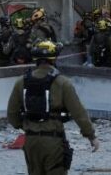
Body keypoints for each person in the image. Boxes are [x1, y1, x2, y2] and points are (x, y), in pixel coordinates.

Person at [7, 40, 100, 175]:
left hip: (31, 141)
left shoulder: (21, 82)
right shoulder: (62, 83)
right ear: (54, 58)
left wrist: (28, 126)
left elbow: (12, 115)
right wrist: (91, 136)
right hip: (53, 142)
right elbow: (78, 112)